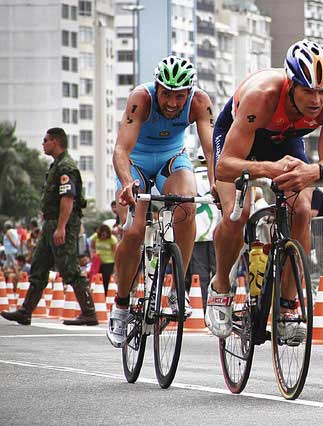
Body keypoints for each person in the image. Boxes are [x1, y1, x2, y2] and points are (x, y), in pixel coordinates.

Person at [207, 39, 323, 340]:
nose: (316, 100)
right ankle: (220, 286)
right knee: (237, 214)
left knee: (302, 209)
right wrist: (271, 170)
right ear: (290, 84)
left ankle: (286, 306)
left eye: (322, 91)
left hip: (286, 140)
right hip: (239, 140)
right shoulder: (263, 95)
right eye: (308, 90)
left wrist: (312, 171)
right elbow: (225, 167)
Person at [107, 56, 215, 347]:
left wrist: (216, 183)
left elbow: (211, 150)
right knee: (134, 230)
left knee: (187, 206)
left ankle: (178, 288)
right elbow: (120, 150)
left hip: (172, 158)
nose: (171, 102)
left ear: (189, 92)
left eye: (179, 96)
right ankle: (121, 304)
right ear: (156, 88)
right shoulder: (141, 99)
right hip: (136, 163)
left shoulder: (199, 102)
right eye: (166, 94)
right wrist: (127, 183)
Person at [1, 128, 97, 326]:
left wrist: (61, 227)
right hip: (50, 224)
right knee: (39, 266)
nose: (43, 144)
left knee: (69, 267)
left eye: (45, 140)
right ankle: (26, 312)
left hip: (62, 223)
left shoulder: (65, 166)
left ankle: (89, 313)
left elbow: (68, 198)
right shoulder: (56, 165)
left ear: (55, 141)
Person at [185, 148, 220, 308]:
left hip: (197, 234)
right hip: (217, 232)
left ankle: (203, 305)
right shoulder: (217, 178)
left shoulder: (190, 177)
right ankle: (218, 305)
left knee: (200, 274)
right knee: (219, 272)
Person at [89, 224, 118, 292]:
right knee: (96, 277)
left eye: (105, 235)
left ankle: (105, 293)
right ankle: (97, 292)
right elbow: (92, 248)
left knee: (106, 278)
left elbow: (115, 252)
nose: (103, 237)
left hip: (109, 262)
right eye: (102, 235)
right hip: (97, 262)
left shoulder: (112, 239)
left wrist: (116, 265)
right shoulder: (95, 237)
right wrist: (93, 256)